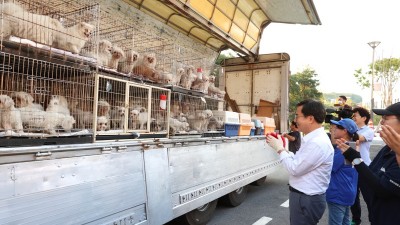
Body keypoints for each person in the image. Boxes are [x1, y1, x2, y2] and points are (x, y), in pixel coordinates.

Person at [266, 99, 334, 225]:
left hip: (306, 198)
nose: (295, 120)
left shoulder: (317, 143)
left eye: (297, 116)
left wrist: (280, 149)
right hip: (304, 197)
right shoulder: (311, 138)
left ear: (310, 118)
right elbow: (299, 159)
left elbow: (294, 168)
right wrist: (284, 147)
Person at [336, 102, 400, 225]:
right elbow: (371, 176)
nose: (381, 122)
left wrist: (356, 159)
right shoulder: (387, 148)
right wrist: (355, 158)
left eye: (386, 118)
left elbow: (382, 189)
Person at [327, 119, 359, 225]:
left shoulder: (342, 149)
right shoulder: (352, 146)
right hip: (347, 191)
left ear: (344, 131)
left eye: (336, 127)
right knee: (345, 221)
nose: (333, 129)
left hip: (338, 194)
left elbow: (329, 168)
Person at [350, 107, 375, 225]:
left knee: (368, 196)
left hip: (364, 168)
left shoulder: (368, 131)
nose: (353, 117)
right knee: (353, 196)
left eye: (356, 115)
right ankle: (356, 220)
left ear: (364, 118)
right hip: (352, 166)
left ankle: (374, 220)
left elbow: (358, 139)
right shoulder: (352, 129)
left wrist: (347, 128)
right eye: (353, 115)